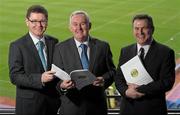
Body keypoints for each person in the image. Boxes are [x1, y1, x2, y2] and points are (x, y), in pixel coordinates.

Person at [53, 10, 116, 115]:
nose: (79, 28)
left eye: (82, 24)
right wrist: (62, 86)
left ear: (89, 26)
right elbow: (55, 78)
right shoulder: (60, 48)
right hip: (71, 108)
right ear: (70, 28)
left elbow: (113, 71)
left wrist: (104, 79)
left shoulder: (102, 47)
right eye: (75, 24)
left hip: (97, 107)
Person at [114, 14, 176, 115]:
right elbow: (118, 78)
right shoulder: (125, 51)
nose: (140, 32)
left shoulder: (165, 52)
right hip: (128, 110)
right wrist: (126, 91)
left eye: (144, 28)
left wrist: (138, 89)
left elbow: (167, 82)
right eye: (136, 28)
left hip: (153, 110)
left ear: (152, 29)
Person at [8, 5, 60, 115]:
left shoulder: (54, 42)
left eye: (42, 21)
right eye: (34, 21)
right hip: (29, 107)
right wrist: (40, 78)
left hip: (52, 105)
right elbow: (15, 76)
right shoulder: (17, 46)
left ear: (47, 22)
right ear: (27, 22)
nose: (39, 25)